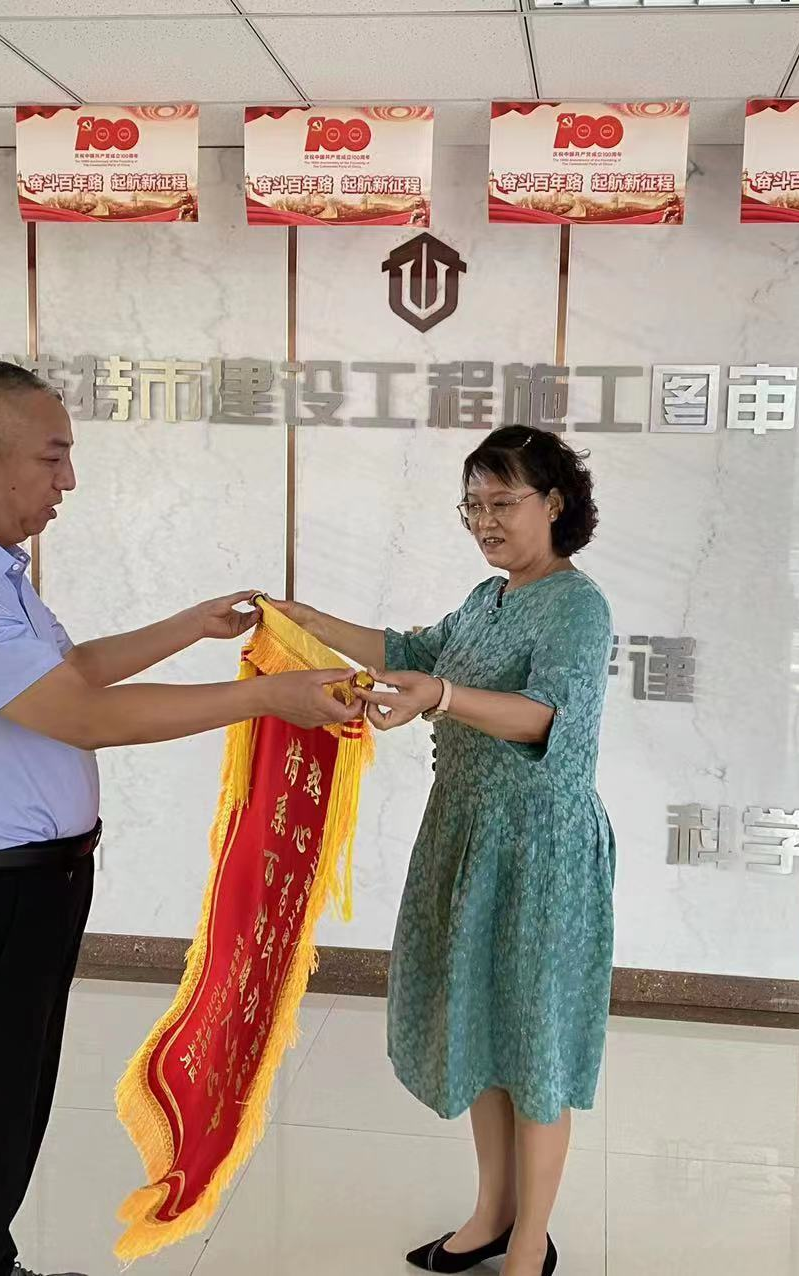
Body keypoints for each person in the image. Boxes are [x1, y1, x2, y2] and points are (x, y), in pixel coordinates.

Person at [0, 360, 353, 1278]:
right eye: (51, 458)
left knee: (10, 1105)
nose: (68, 480)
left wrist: (187, 625)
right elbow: (82, 715)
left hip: (31, 885)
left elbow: (72, 671)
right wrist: (267, 698)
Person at [276, 424, 615, 1277]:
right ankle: (491, 1214)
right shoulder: (486, 597)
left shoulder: (577, 605)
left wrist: (442, 696)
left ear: (554, 503)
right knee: (482, 1027)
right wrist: (307, 621)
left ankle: (530, 1241)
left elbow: (544, 717)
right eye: (472, 505)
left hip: (538, 850)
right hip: (467, 834)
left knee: (532, 1042)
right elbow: (411, 653)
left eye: (502, 502)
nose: (484, 521)